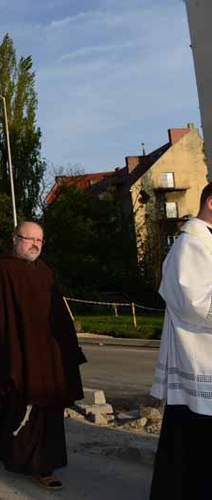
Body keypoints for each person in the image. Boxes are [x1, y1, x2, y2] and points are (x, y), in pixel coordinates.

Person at [0, 221, 86, 491]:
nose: (35, 244)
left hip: (49, 354)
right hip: (21, 352)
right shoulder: (4, 270)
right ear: (15, 239)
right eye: (29, 239)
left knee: (41, 406)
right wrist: (4, 355)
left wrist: (69, 348)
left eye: (39, 240)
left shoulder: (45, 271)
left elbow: (59, 313)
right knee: (29, 405)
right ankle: (41, 465)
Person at [150, 182, 212, 498]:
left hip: (203, 360)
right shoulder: (191, 245)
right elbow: (194, 303)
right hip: (200, 362)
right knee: (195, 448)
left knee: (188, 447)